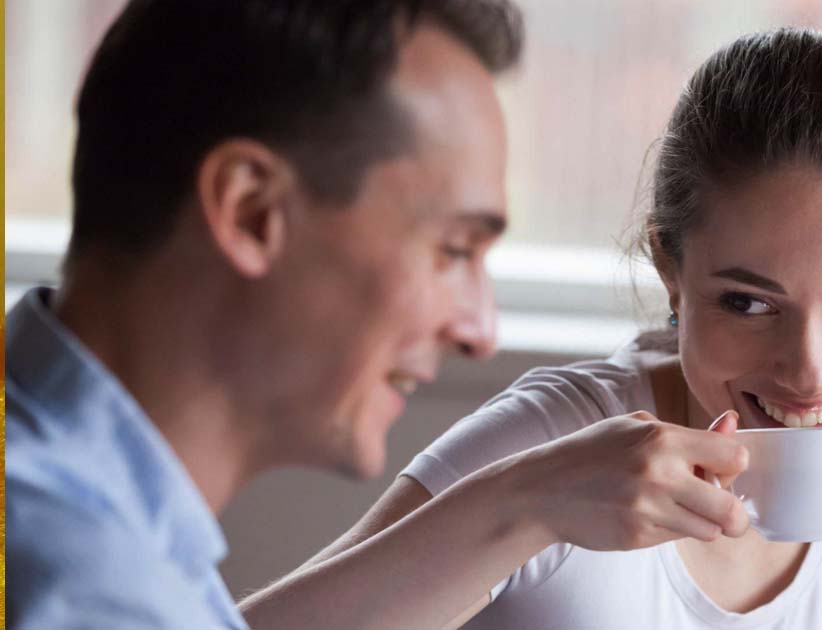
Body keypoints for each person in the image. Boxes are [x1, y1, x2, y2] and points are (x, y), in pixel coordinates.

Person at [278, 28, 822, 628]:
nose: (808, 372)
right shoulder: (560, 443)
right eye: (748, 302)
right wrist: (524, 505)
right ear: (672, 271)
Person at [4, 2, 752, 629]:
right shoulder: (86, 590)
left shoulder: (101, 529)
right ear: (251, 211)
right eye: (454, 249)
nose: (478, 329)